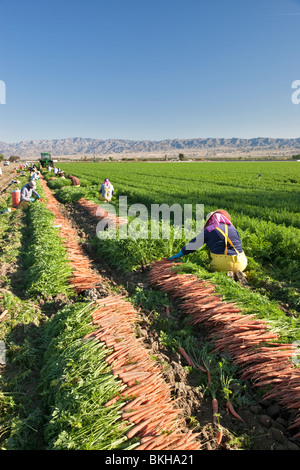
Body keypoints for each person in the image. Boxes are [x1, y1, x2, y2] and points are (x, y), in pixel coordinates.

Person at [169, 209, 247, 275]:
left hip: (221, 265)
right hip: (241, 263)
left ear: (210, 220)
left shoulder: (209, 229)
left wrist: (180, 253)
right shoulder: (233, 228)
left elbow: (194, 244)